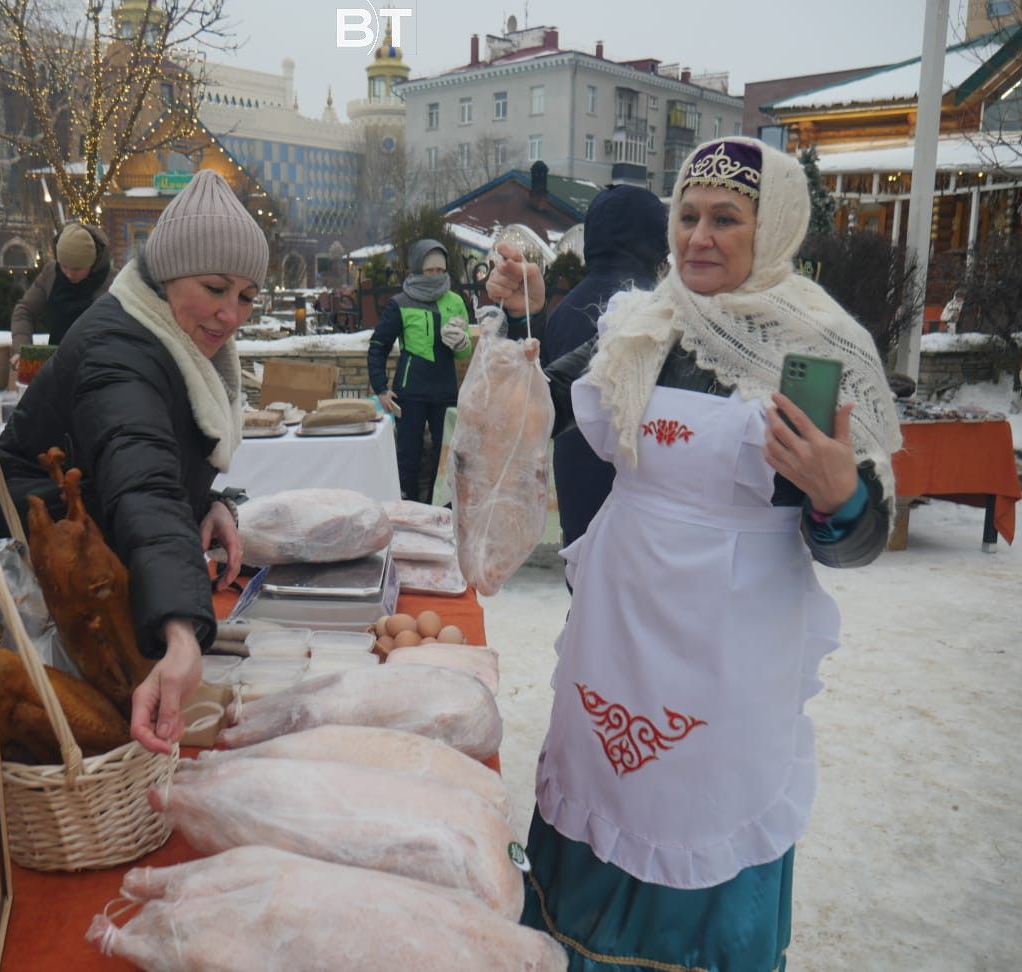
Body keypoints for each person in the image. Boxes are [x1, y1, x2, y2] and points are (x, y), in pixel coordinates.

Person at [488, 137, 903, 969]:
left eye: (725, 219)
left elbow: (856, 542)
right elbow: (536, 404)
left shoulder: (815, 349)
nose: (698, 238)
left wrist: (840, 497)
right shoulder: (642, 328)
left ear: (774, 228)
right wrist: (512, 338)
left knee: (701, 809)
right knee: (602, 783)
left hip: (730, 644)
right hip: (622, 618)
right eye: (687, 217)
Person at [0, 170, 267, 754]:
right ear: (165, 276)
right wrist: (182, 632)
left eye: (245, 296)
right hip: (36, 574)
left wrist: (206, 502)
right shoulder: (120, 349)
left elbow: (154, 460)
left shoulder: (172, 338)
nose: (231, 314)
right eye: (215, 288)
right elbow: (142, 484)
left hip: (97, 550)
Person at [540, 184, 668, 548]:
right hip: (633, 484)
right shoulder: (653, 308)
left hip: (575, 479)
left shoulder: (564, 309)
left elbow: (548, 394)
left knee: (584, 590)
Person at [367, 239, 472, 501]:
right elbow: (378, 346)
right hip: (411, 391)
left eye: (440, 270)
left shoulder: (455, 301)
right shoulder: (400, 303)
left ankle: (443, 510)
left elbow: (464, 352)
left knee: (446, 455)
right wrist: (381, 388)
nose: (436, 276)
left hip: (445, 390)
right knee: (408, 455)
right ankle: (408, 508)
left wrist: (462, 342)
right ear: (416, 270)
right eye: (429, 271)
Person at [9, 221, 115, 370]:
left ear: (92, 263)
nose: (69, 274)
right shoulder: (51, 273)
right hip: (56, 365)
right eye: (64, 266)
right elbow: (24, 310)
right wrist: (23, 351)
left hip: (96, 369)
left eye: (77, 269)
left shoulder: (113, 283)